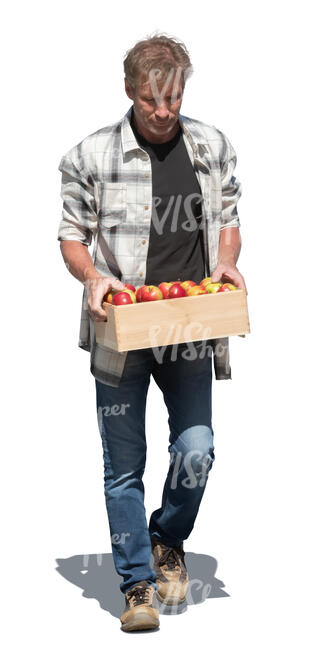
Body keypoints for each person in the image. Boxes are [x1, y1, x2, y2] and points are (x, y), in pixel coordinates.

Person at [57, 32, 247, 632]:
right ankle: (136, 583)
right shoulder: (90, 155)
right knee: (123, 467)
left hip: (188, 320)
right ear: (130, 92)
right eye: (150, 101)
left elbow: (230, 221)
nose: (163, 113)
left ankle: (167, 536)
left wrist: (227, 261)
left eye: (173, 99)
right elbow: (70, 236)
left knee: (197, 451)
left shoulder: (211, 146)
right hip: (122, 327)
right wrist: (91, 277)